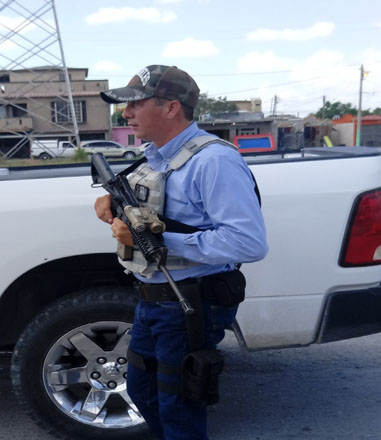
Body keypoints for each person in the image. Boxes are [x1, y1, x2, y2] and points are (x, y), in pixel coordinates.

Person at [94, 65, 268, 440]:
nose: (126, 113)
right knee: (143, 391)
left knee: (179, 407)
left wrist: (155, 240)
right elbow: (156, 208)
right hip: (154, 300)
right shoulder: (156, 156)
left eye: (136, 104)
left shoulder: (213, 161)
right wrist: (112, 203)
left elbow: (248, 242)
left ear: (172, 107)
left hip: (190, 303)